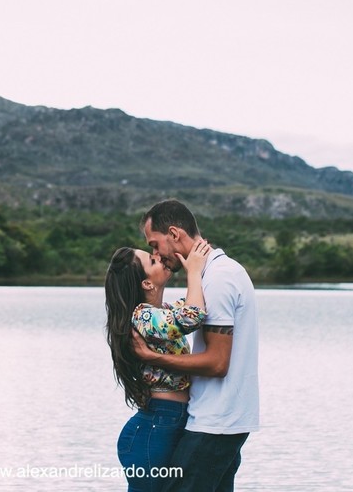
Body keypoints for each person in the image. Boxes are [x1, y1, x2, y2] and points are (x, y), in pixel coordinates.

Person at [133, 199, 259, 492]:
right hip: (219, 418)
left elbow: (217, 363)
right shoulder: (209, 274)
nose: (156, 254)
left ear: (174, 235)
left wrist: (151, 357)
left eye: (155, 244)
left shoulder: (219, 277)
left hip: (215, 420)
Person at [105, 236, 213, 491]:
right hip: (156, 427)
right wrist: (194, 271)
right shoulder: (142, 316)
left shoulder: (160, 313)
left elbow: (192, 305)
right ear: (146, 282)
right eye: (152, 260)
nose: (160, 258)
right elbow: (193, 316)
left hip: (166, 422)